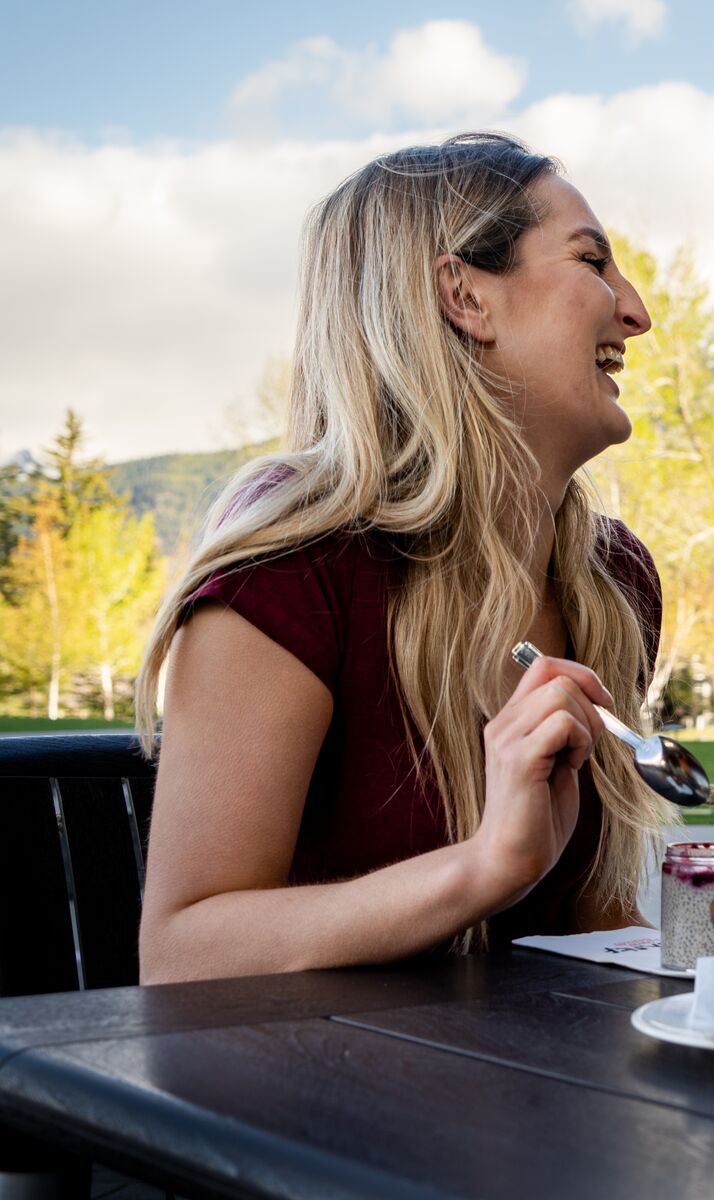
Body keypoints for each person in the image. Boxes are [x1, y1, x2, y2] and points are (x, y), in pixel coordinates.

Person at [133, 134, 663, 983]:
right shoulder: (291, 566)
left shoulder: (612, 581)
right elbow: (183, 950)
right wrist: (482, 868)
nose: (635, 309)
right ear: (465, 297)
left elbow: (593, 927)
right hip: (315, 1098)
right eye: (592, 260)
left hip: (542, 1101)